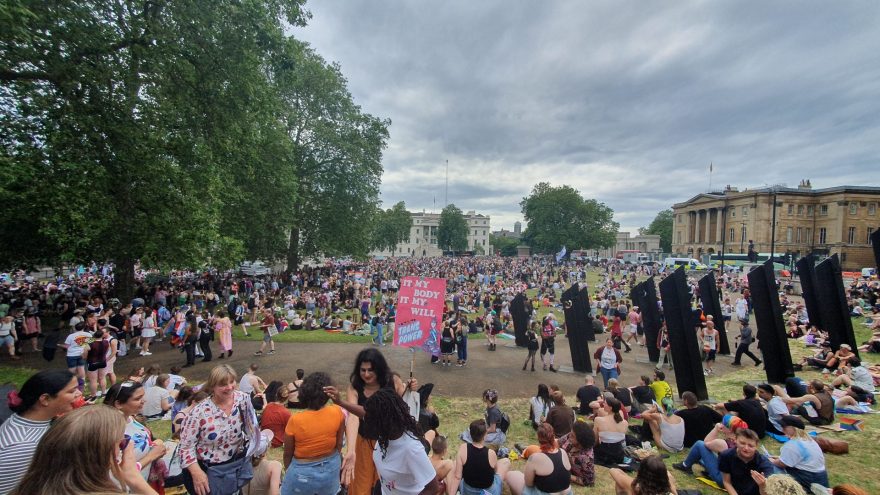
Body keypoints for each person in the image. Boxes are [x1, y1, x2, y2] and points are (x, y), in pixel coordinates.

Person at [9, 406, 158, 495]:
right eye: (122, 442)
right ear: (99, 453)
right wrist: (134, 479)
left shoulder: (30, 488)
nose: (125, 447)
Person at [322, 348, 409, 495]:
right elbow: (354, 417)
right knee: (362, 483)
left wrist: (411, 389)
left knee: (389, 483)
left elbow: (404, 404)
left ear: (379, 369)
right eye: (363, 370)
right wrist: (350, 451)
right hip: (364, 441)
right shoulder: (355, 387)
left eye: (371, 370)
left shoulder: (392, 381)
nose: (366, 374)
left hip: (390, 442)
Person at [179, 365, 260, 495]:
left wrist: (256, 444)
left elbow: (251, 426)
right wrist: (196, 473)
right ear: (212, 386)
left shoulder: (242, 399)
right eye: (223, 384)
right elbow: (185, 447)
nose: (229, 387)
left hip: (233, 466)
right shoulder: (198, 413)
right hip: (207, 470)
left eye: (232, 381)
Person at [0, 370, 81, 494]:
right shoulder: (25, 446)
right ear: (45, 399)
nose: (79, 393)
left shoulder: (24, 419)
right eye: (72, 391)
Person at [365, 388, 440, 495]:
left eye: (373, 421)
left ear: (385, 421)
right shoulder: (384, 436)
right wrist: (341, 403)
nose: (369, 425)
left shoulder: (411, 449)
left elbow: (433, 488)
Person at [280, 372, 345, 495]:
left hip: (302, 474)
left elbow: (287, 454)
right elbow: (339, 444)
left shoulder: (296, 420)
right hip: (331, 468)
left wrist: (290, 471)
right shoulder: (337, 412)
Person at [104, 381, 168, 491]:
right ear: (119, 404)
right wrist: (151, 456)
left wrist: (154, 444)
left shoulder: (131, 418)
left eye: (142, 397)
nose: (144, 401)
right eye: (137, 399)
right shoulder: (109, 432)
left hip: (141, 484)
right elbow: (117, 472)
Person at [674, 428, 774, 495]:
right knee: (701, 445)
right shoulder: (727, 455)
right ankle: (691, 464)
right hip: (727, 480)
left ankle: (688, 464)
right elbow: (726, 482)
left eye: (751, 446)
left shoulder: (764, 464)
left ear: (756, 446)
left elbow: (767, 492)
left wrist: (762, 485)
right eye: (742, 443)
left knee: (700, 445)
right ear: (735, 440)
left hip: (747, 489)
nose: (746, 448)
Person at [505, 423, 572, 495]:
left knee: (510, 475)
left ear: (538, 438)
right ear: (553, 437)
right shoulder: (563, 452)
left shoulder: (535, 457)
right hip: (567, 492)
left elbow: (528, 483)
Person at [768, 416, 828, 492]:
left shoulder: (792, 444)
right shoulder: (809, 440)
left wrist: (771, 460)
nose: (782, 429)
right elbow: (800, 458)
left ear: (794, 428)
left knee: (769, 466)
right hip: (821, 478)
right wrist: (779, 457)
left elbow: (781, 464)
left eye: (784, 427)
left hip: (808, 479)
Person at [453, 419, 510, 495]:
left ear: (470, 433)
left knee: (454, 463)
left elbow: (457, 477)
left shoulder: (463, 448)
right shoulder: (491, 453)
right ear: (485, 434)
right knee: (506, 462)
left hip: (468, 491)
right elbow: (495, 471)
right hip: (489, 492)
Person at [609, 454, 677, 495]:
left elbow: (613, 470)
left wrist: (630, 479)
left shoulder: (635, 487)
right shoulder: (668, 491)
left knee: (619, 484)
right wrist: (671, 484)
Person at [559, 420, 595, 487]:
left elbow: (589, 482)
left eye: (572, 436)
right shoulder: (571, 436)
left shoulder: (586, 457)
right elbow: (558, 443)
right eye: (571, 432)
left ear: (580, 441)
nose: (569, 435)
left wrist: (567, 476)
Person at [593, 397, 628, 466]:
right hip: (619, 456)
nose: (603, 404)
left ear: (610, 408)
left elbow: (595, 441)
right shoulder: (625, 423)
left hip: (604, 455)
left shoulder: (598, 420)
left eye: (605, 403)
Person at [260, 381, 291, 449]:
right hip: (277, 442)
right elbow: (291, 430)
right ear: (287, 398)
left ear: (276, 394)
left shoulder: (268, 406)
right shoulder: (286, 413)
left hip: (264, 439)